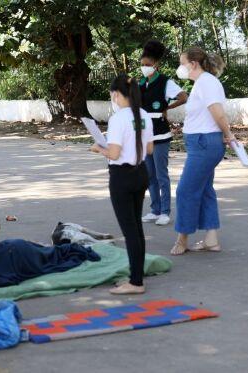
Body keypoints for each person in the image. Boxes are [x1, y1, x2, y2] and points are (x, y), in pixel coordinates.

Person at [91, 74, 154, 295]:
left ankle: (136, 282)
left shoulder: (117, 119)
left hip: (122, 177)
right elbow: (149, 149)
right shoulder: (144, 115)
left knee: (130, 231)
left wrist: (99, 148)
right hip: (141, 173)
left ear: (116, 94)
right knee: (136, 226)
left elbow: (115, 153)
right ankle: (137, 274)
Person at [170, 47, 235, 255]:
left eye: (182, 63)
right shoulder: (203, 83)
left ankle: (182, 239)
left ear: (193, 64)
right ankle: (211, 239)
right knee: (205, 189)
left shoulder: (206, 82)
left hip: (204, 143)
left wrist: (229, 134)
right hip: (201, 143)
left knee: (185, 190)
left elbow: (217, 112)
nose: (180, 68)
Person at [139, 40, 188, 226]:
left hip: (160, 135)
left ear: (156, 65)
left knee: (161, 174)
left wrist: (167, 107)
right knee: (149, 175)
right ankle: (155, 209)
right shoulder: (140, 83)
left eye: (148, 65)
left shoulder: (165, 82)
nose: (144, 68)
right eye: (142, 65)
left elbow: (184, 97)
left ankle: (165, 211)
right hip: (145, 136)